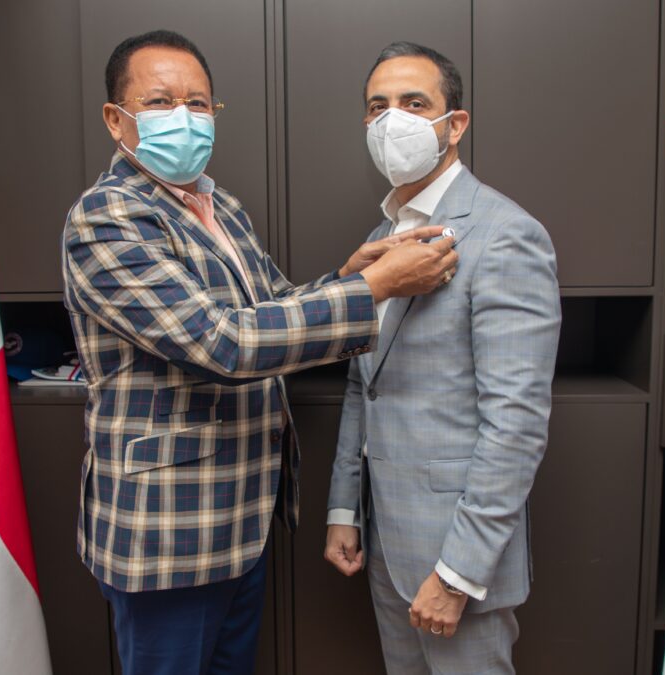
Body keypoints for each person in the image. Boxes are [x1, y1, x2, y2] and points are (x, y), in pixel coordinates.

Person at [61, 30, 457, 675]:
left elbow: (271, 307)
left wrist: (348, 275)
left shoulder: (220, 207)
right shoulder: (106, 217)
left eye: (198, 103)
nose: (184, 117)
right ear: (116, 119)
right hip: (167, 532)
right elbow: (221, 341)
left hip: (240, 520)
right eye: (160, 103)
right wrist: (373, 289)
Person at [324, 41, 561, 674]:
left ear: (454, 125)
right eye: (377, 106)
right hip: (386, 542)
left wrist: (458, 573)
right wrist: (345, 508)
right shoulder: (381, 239)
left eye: (413, 103)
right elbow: (364, 385)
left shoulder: (505, 234)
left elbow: (515, 425)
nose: (391, 120)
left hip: (456, 557)